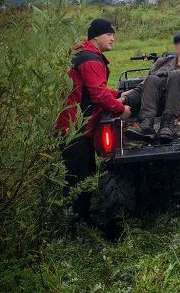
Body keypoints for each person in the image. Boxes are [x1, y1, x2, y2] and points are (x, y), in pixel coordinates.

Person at [56, 18, 132, 221]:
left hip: (75, 126)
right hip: (75, 128)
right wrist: (121, 108)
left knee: (84, 172)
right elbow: (98, 94)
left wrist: (117, 93)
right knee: (78, 176)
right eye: (109, 34)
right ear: (96, 36)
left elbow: (93, 88)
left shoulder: (84, 55)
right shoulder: (90, 59)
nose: (113, 39)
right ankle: (76, 223)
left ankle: (81, 217)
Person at [123, 31, 180, 143]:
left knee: (176, 75)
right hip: (160, 103)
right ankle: (146, 124)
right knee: (152, 79)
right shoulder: (161, 63)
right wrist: (123, 100)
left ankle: (167, 124)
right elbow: (143, 87)